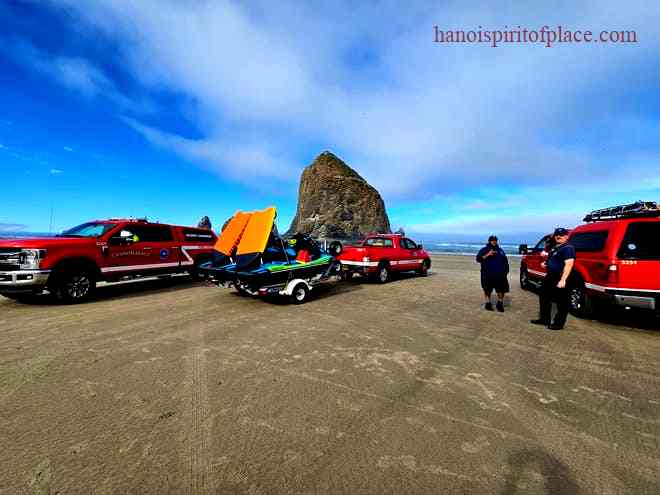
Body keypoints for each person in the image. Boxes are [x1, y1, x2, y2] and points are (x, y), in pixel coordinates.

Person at [531, 228, 575, 330]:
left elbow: (569, 264)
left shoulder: (568, 248)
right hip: (550, 276)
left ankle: (558, 324)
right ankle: (544, 319)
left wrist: (563, 280)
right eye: (557, 235)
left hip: (560, 277)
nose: (558, 236)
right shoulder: (556, 247)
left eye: (561, 235)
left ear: (567, 236)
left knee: (562, 302)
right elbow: (553, 260)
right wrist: (546, 264)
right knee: (544, 297)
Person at [476, 235, 510, 312]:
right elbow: (478, 259)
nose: (494, 241)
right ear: (489, 241)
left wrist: (506, 271)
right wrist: (488, 254)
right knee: (487, 290)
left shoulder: (500, 250)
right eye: (492, 240)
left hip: (500, 275)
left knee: (501, 290)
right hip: (487, 274)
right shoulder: (484, 250)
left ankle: (500, 303)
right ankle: (488, 303)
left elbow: (505, 261)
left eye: (495, 240)